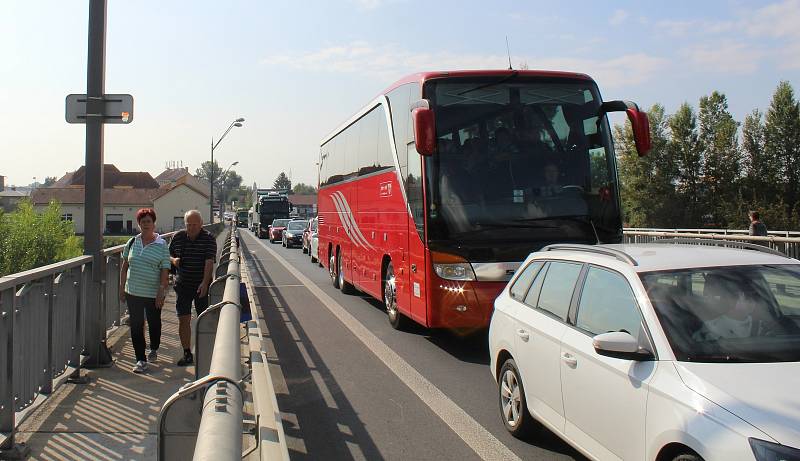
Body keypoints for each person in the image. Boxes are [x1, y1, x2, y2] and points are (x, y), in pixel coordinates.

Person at [119, 208, 170, 374]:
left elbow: (164, 269)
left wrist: (161, 291)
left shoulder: (162, 245)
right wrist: (121, 288)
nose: (146, 224)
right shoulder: (132, 242)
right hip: (132, 291)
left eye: (148, 221)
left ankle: (154, 347)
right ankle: (140, 359)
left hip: (152, 293)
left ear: (153, 223)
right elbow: (124, 266)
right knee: (136, 325)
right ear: (139, 224)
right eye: (143, 222)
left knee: (154, 323)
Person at [169, 210, 217, 366]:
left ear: (201, 224)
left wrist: (204, 283)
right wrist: (174, 260)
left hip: (200, 285)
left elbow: (209, 262)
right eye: (188, 225)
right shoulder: (177, 237)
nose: (191, 228)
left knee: (203, 319)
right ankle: (187, 352)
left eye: (195, 225)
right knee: (184, 319)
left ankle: (205, 351)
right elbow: (166, 255)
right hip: (182, 285)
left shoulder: (209, 239)